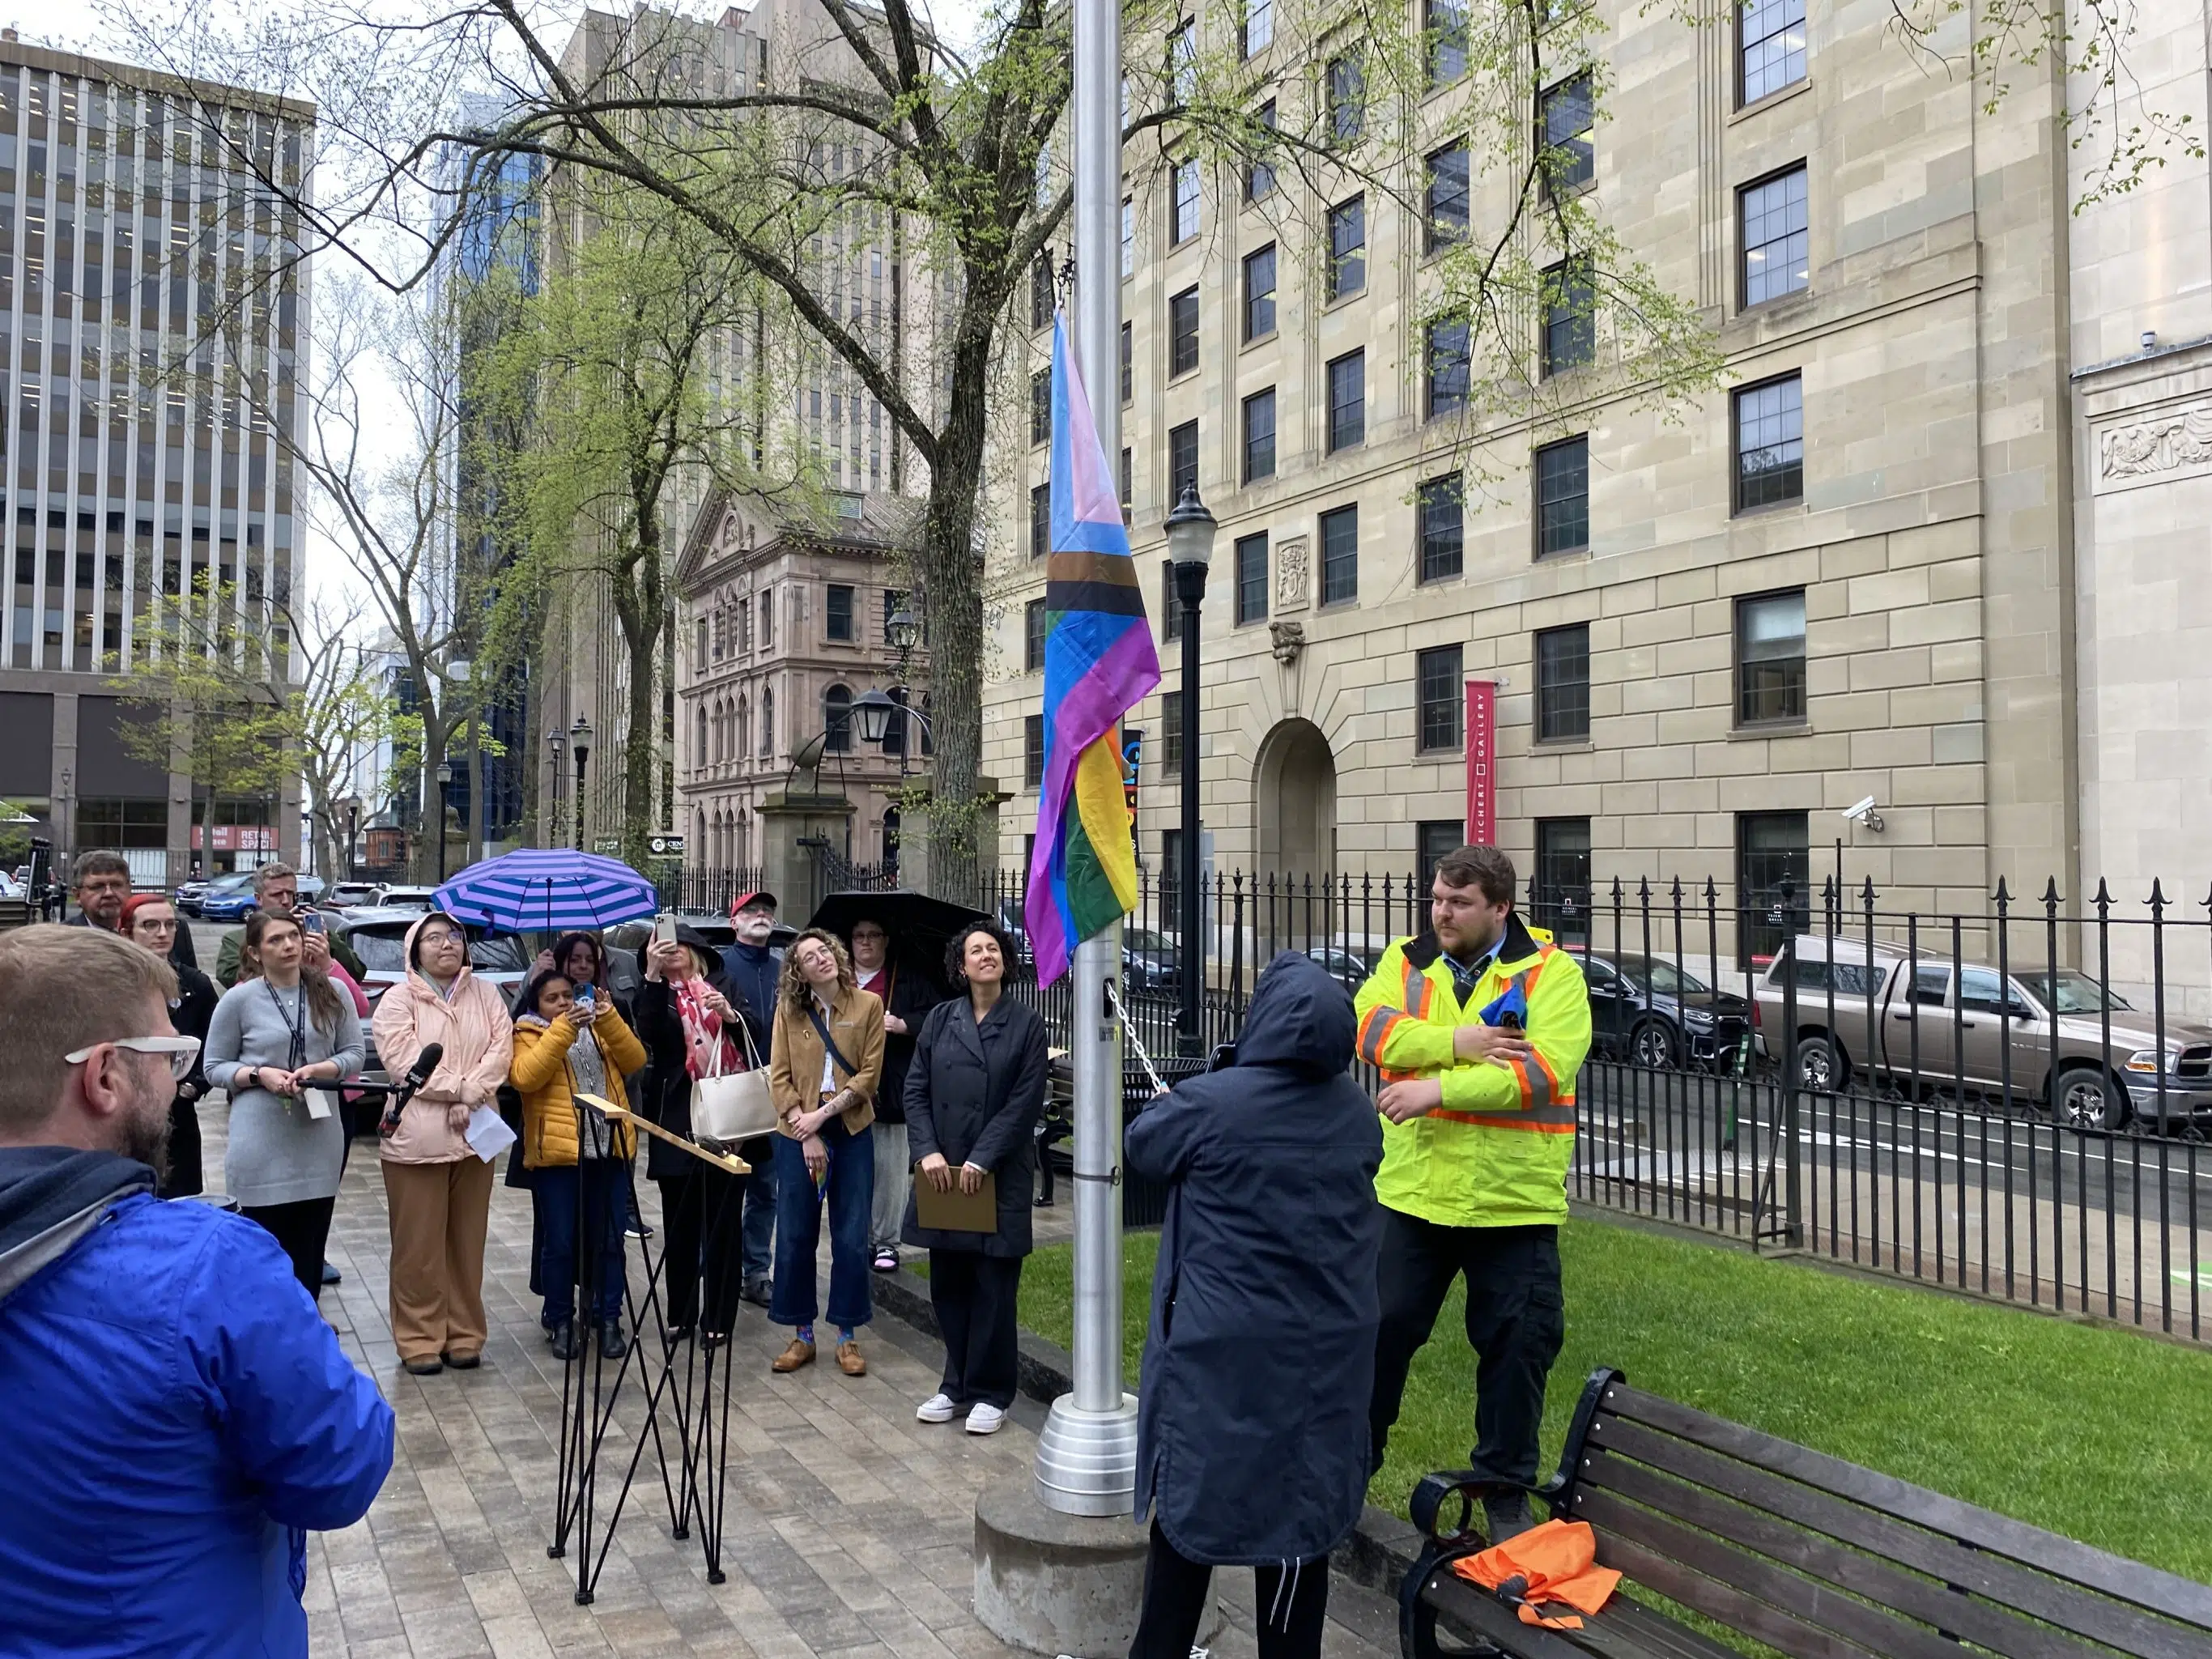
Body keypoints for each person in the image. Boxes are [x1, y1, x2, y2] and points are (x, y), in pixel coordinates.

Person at [0, 925, 393, 1657]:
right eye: (168, 1055)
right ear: (106, 1075)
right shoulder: (209, 1272)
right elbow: (342, 1466)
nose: (178, 1080)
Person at [1120, 951, 1383, 1659]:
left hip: (1220, 1356)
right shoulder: (1357, 1114)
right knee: (1299, 1522)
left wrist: (1221, 1074)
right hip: (1327, 1356)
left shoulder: (1213, 1101)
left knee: (1191, 1514)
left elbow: (1144, 1143)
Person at [1354, 844, 1592, 1543]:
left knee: (1519, 1348)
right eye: (1436, 899)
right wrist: (1463, 1041)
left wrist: (1433, 1085)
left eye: (1458, 902)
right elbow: (1367, 1028)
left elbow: (1539, 1073)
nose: (1441, 912)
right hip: (1414, 1196)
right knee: (1376, 1335)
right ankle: (1350, 1464)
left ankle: (1505, 1488)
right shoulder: (1407, 961)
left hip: (1511, 1202)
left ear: (1500, 907)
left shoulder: (1553, 974)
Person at [903, 921, 1047, 1435]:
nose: (985, 956)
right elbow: (915, 1090)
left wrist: (982, 1158)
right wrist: (927, 1152)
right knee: (949, 1285)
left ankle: (992, 1392)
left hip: (996, 1173)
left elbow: (1024, 1103)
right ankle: (954, 1385)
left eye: (993, 949)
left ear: (1005, 961)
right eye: (975, 951)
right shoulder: (941, 1020)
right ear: (960, 966)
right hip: (942, 1174)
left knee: (993, 1287)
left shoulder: (1028, 1024)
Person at [372, 912, 515, 1376]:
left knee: (467, 1244)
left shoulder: (486, 993)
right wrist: (458, 1089)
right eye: (433, 938)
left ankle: (464, 1335)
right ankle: (419, 1338)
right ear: (415, 950)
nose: (446, 945)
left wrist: (471, 1093)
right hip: (418, 1138)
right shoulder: (398, 1000)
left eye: (454, 936)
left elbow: (502, 1048)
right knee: (418, 1247)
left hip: (475, 1137)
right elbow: (402, 1061)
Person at [204, 910, 366, 1298]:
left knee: (310, 1247)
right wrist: (260, 1075)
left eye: (293, 935)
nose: (289, 945)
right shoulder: (240, 999)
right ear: (256, 953)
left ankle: (308, 1328)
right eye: (275, 940)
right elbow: (213, 1067)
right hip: (260, 1139)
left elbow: (354, 1053)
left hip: (318, 1135)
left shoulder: (332, 991)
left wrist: (322, 1069)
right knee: (263, 1252)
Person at [634, 922, 768, 1343]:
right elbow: (649, 1033)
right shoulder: (655, 992)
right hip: (678, 1116)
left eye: (678, 949)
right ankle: (681, 1313)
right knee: (679, 1222)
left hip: (729, 1115)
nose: (671, 954)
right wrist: (653, 978)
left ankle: (719, 1319)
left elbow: (755, 1037)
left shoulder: (723, 984)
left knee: (723, 1223)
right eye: (662, 950)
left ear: (697, 954)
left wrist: (729, 1015)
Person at [512, 965, 648, 1360]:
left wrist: (608, 1018)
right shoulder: (527, 1033)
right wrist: (564, 1029)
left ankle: (608, 1320)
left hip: (610, 1150)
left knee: (609, 1241)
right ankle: (559, 1319)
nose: (562, 1005)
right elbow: (525, 1077)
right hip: (558, 1158)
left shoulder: (600, 1027)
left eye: (568, 997)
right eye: (551, 999)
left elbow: (635, 1060)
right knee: (560, 1244)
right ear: (536, 1005)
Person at [767, 927, 884, 1376]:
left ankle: (848, 1336)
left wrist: (824, 1116)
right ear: (798, 972)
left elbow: (869, 1076)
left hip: (851, 1131)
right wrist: (807, 1130)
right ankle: (803, 1335)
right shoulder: (788, 1012)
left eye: (825, 950)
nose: (822, 959)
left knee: (852, 1237)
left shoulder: (868, 1006)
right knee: (796, 1234)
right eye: (810, 956)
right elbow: (779, 1077)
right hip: (798, 1135)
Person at [849, 914, 942, 1272]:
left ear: (886, 941)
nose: (867, 941)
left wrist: (903, 1024)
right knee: (854, 1171)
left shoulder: (908, 978)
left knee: (889, 1170)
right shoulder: (840, 979)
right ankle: (857, 1236)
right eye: (860, 935)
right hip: (847, 1091)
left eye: (874, 935)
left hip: (893, 1087)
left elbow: (934, 1015)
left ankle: (886, 1242)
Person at [121, 893, 218, 1198]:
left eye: (169, 925)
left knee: (179, 1200)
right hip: (124, 1114)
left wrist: (196, 1083)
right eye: (150, 925)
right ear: (127, 933)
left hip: (179, 1115)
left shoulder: (196, 985)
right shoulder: (110, 987)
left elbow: (216, 1042)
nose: (162, 934)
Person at [719, 890, 783, 1302]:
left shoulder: (784, 969)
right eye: (751, 911)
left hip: (778, 1089)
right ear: (734, 922)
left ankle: (756, 1271)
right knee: (725, 1186)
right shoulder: (719, 967)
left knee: (765, 1188)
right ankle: (720, 1267)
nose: (761, 916)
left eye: (767, 912)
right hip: (732, 1089)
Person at [215, 861, 364, 988]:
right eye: (277, 895)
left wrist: (327, 939)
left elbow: (357, 973)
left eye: (290, 893)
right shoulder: (237, 939)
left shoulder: (313, 933)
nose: (286, 900)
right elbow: (228, 977)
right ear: (258, 899)